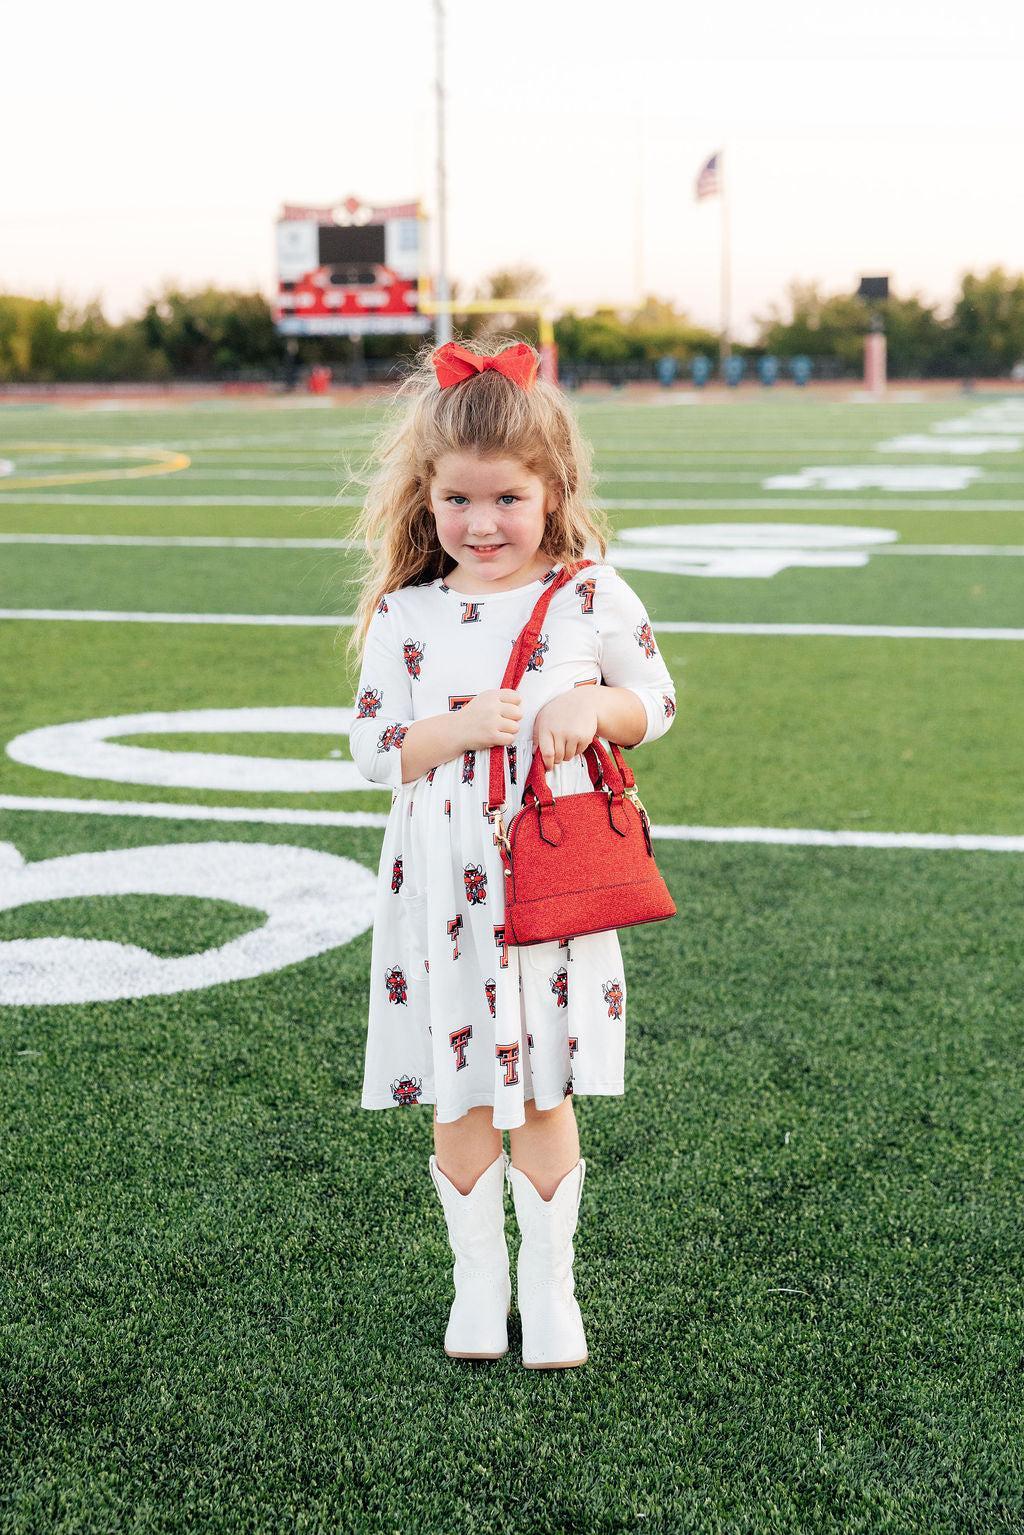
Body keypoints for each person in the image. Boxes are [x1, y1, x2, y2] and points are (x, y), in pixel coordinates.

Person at [346, 337, 677, 1369]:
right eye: (457, 502)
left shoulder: (590, 594)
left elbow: (656, 701)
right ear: (426, 496)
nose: (481, 524)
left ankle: (551, 1285)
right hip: (440, 876)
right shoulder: (405, 613)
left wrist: (591, 703)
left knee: (541, 1084)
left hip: (545, 871)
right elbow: (371, 745)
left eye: (506, 500)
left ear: (552, 490)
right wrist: (453, 729)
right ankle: (476, 1287)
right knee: (460, 1086)